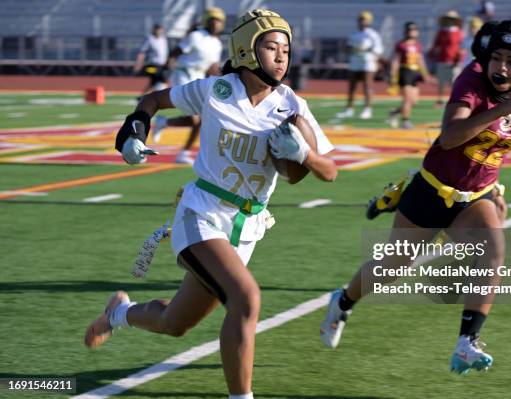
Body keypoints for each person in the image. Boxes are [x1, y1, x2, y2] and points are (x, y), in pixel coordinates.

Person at [84, 10, 337, 399]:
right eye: (271, 46)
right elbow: (152, 99)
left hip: (246, 228)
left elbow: (328, 171)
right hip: (201, 213)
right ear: (245, 50)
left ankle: (118, 312)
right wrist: (133, 131)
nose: (282, 56)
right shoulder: (217, 90)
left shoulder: (294, 107)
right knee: (247, 297)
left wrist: (304, 152)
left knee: (174, 323)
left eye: (286, 48)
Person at [320, 20, 511, 375]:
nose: (502, 67)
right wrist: (501, 111)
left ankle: (467, 344)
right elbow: (449, 138)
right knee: (391, 268)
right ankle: (343, 300)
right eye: (497, 58)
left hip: (476, 196)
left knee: (494, 254)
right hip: (432, 190)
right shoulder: (472, 82)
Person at [152, 7, 226, 164]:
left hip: (198, 77)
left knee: (203, 118)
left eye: (219, 20)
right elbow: (175, 53)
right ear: (206, 21)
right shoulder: (195, 36)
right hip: (183, 74)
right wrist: (164, 74)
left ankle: (180, 147)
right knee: (195, 119)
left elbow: (213, 67)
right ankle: (169, 133)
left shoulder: (217, 44)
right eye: (212, 19)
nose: (216, 23)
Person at [336, 10, 384, 120]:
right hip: (355, 62)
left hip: (368, 62)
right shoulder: (354, 34)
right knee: (352, 87)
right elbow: (348, 47)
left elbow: (378, 50)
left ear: (369, 21)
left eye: (364, 19)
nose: (362, 21)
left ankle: (367, 109)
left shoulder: (373, 35)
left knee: (367, 86)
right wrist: (349, 49)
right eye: (361, 19)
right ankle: (349, 109)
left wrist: (367, 51)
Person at [388, 22, 431, 129]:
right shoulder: (401, 45)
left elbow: (420, 60)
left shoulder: (417, 45)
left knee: (414, 101)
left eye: (414, 30)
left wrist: (425, 73)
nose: (412, 32)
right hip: (405, 71)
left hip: (415, 72)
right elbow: (396, 60)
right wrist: (393, 75)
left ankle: (394, 112)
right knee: (407, 99)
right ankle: (405, 121)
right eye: (410, 30)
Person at [428, 10, 465, 107]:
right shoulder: (441, 31)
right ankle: (440, 100)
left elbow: (462, 47)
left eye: (452, 19)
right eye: (448, 19)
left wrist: (459, 59)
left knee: (454, 82)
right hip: (442, 60)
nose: (450, 21)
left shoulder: (459, 32)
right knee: (441, 82)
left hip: (453, 61)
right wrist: (432, 54)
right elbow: (436, 45)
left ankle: (454, 100)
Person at [133, 24, 169, 94]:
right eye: (158, 30)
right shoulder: (150, 39)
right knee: (161, 78)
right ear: (154, 30)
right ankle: (150, 96)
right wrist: (138, 63)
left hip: (162, 66)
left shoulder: (163, 39)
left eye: (161, 30)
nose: (160, 31)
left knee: (154, 82)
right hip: (151, 66)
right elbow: (142, 52)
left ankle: (143, 96)